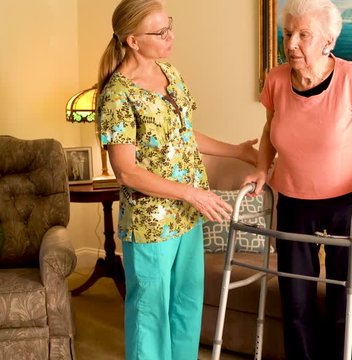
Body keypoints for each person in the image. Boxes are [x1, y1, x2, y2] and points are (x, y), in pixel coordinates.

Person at [95, 1, 257, 359]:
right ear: (133, 41)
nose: (170, 36)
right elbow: (127, 171)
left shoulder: (171, 74)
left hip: (186, 217)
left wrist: (238, 151)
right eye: (159, 31)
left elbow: (183, 136)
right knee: (150, 314)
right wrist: (193, 193)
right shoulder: (117, 95)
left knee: (186, 305)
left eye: (169, 25)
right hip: (151, 224)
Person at [243, 0, 352, 359]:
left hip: (349, 204)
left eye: (303, 35)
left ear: (328, 41)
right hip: (294, 203)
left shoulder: (351, 77)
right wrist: (263, 168)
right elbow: (269, 128)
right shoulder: (276, 79)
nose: (292, 43)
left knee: (345, 302)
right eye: (288, 33)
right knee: (295, 302)